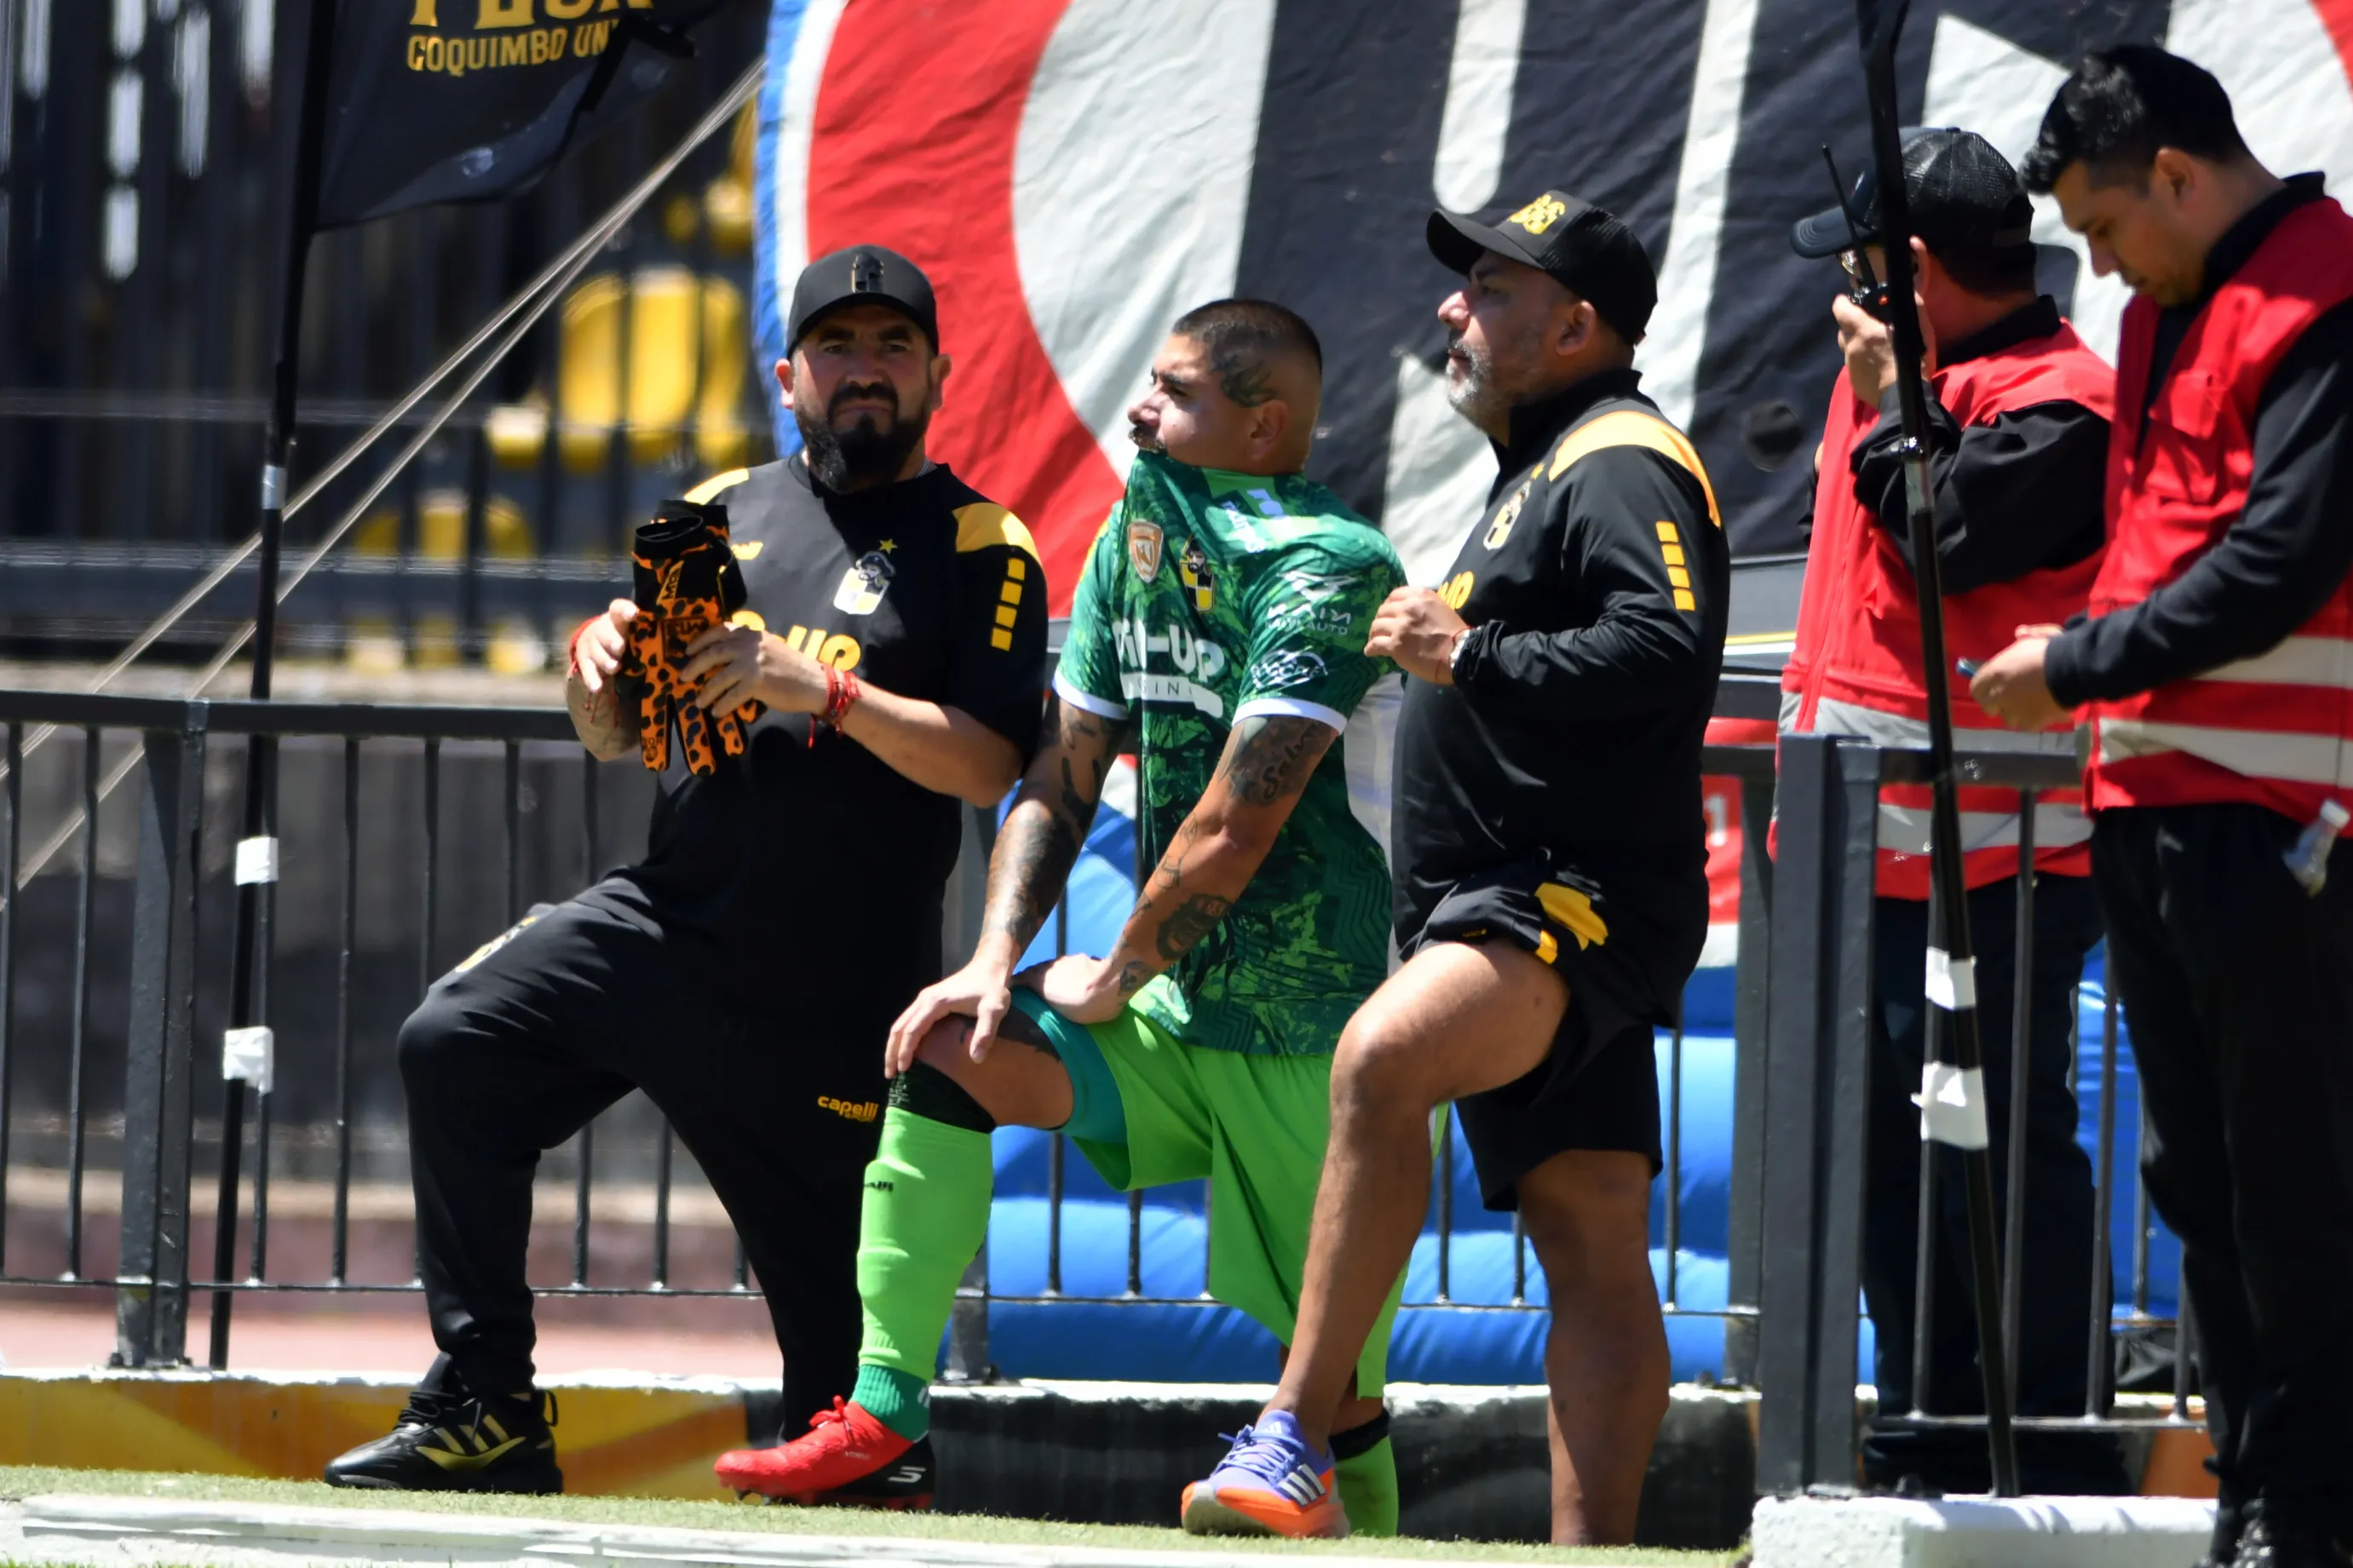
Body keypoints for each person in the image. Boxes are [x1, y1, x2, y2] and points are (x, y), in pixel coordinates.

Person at [323, 246, 1049, 1497]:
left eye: (891, 347)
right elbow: (636, 735)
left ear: (938, 374)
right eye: (837, 346)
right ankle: (486, 1405)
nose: (864, 370)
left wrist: (823, 690)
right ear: (789, 373)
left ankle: (870, 1461)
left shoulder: (983, 543)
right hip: (670, 926)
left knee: (851, 1428)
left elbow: (989, 763)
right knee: (454, 1040)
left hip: (837, 993)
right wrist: (593, 672)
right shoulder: (711, 511)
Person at [709, 299, 1411, 1531]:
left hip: (1316, 1029)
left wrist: (1120, 968)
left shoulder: (1332, 562)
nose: (1141, 408)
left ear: (1263, 427)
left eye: (1177, 393)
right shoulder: (1138, 535)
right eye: (1151, 382)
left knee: (1339, 1402)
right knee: (951, 1047)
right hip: (1174, 1013)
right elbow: (1062, 768)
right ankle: (881, 1417)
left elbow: (1237, 825)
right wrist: (995, 958)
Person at [1193, 192, 1727, 1544]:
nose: (1453, 306)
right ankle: (1594, 1556)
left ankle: (1294, 1438)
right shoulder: (1544, 466)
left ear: (1575, 325)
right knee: (1590, 1230)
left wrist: (1464, 652)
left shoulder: (1618, 458)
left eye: (1490, 287)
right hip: (1523, 897)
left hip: (1560, 898)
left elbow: (1667, 645)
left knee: (1380, 1059)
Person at [1971, 45, 2353, 1568]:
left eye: (2103, 224)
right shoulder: (2155, 314)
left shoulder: (2327, 297)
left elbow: (2284, 559)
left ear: (2179, 176)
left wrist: (2076, 661)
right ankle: (2260, 1504)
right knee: (2198, 1178)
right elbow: (2170, 545)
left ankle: (2305, 1518)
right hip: (2149, 800)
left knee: (2289, 1184)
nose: (2098, 261)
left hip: (2278, 815)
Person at [1781, 128, 2126, 1496]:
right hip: (1865, 861)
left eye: (1861, 269)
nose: (1842, 296)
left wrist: (1889, 401)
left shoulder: (2064, 401)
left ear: (1910, 271)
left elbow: (1950, 536)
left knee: (1993, 1149)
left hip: (2000, 866)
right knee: (1887, 1163)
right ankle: (1925, 1429)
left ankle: (2040, 1436)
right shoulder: (1900, 385)